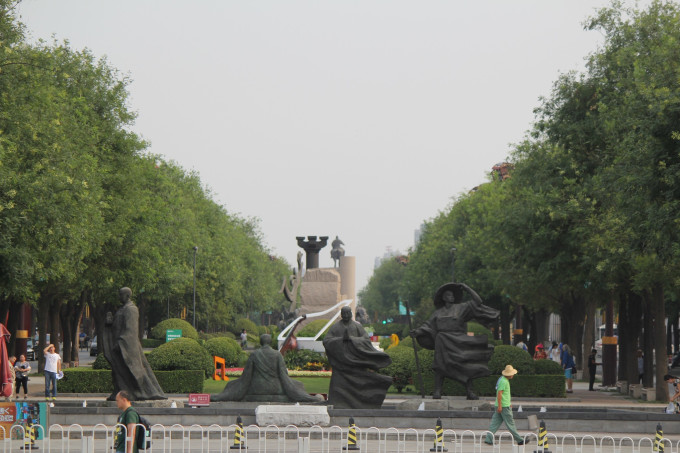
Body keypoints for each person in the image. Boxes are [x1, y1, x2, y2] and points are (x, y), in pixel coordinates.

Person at [411, 282, 499, 400]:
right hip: (443, 341)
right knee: (440, 365)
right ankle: (437, 390)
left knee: (465, 365)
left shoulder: (461, 307)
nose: (452, 297)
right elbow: (427, 326)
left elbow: (478, 301)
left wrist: (467, 288)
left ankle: (469, 391)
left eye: (452, 295)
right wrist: (417, 332)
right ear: (443, 298)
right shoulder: (437, 313)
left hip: (459, 341)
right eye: (449, 295)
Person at [212, 334, 321, 402]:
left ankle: (216, 397)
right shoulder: (277, 355)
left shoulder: (254, 354)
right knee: (299, 384)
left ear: (261, 342)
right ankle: (313, 398)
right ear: (270, 342)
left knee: (230, 385)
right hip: (275, 387)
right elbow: (284, 376)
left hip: (257, 387)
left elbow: (246, 377)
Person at [323, 306, 393, 409]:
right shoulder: (335, 327)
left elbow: (365, 339)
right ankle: (340, 403)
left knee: (362, 381)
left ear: (351, 314)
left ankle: (367, 400)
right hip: (341, 364)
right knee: (338, 387)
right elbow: (327, 341)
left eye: (348, 313)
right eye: (344, 313)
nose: (346, 315)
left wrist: (352, 339)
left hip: (356, 362)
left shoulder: (357, 326)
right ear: (341, 314)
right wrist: (341, 340)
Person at [103, 287, 165, 401]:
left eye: (121, 295)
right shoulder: (122, 309)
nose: (119, 297)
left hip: (126, 345)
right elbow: (118, 326)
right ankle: (122, 392)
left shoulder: (131, 309)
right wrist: (109, 323)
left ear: (127, 296)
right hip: (119, 345)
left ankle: (139, 392)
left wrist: (121, 342)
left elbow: (130, 329)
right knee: (117, 371)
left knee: (132, 370)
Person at [484, 365, 528, 446]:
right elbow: (499, 394)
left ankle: (488, 439)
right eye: (512, 373)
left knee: (495, 423)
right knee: (510, 423)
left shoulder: (502, 379)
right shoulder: (504, 381)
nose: (513, 375)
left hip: (501, 405)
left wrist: (506, 403)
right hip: (504, 406)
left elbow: (504, 394)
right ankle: (520, 440)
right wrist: (500, 406)